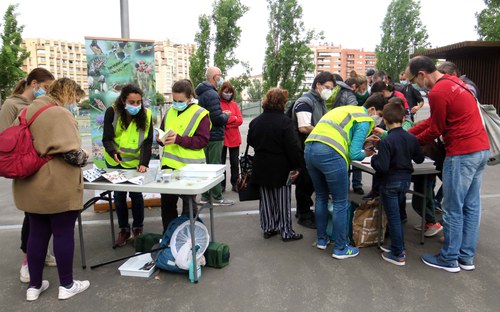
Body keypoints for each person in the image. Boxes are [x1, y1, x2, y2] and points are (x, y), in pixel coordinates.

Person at [407, 56, 489, 272]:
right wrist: (406, 134)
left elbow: (435, 130)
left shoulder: (438, 91)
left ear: (422, 74)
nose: (416, 85)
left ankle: (449, 258)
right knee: (471, 207)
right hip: (480, 150)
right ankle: (465, 258)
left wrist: (410, 142)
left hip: (462, 153)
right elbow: (433, 121)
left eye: (414, 80)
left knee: (452, 208)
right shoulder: (456, 83)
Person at [12, 78, 90, 301]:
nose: (74, 104)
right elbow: (72, 155)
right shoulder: (59, 114)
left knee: (36, 235)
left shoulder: (28, 112)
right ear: (67, 94)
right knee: (63, 232)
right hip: (56, 183)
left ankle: (34, 287)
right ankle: (66, 285)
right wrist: (85, 156)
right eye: (75, 99)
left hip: (29, 183)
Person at [0, 68, 56, 284]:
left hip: (43, 166)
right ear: (34, 84)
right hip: (26, 167)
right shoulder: (11, 105)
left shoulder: (40, 105)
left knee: (46, 214)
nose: (48, 92)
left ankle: (42, 253)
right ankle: (28, 260)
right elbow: (5, 138)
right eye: (46, 88)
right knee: (31, 216)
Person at [304, 101, 378, 259]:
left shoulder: (346, 110)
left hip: (310, 149)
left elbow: (340, 134)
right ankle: (340, 248)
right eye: (379, 114)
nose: (377, 119)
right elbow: (355, 154)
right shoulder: (364, 118)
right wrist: (367, 152)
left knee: (321, 197)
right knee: (340, 202)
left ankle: (321, 240)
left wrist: (362, 140)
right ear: (372, 109)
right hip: (330, 153)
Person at [371, 102, 425, 266]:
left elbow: (382, 167)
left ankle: (398, 253)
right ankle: (398, 245)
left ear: (385, 120)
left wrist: (374, 158)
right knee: (399, 216)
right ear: (403, 118)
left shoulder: (387, 141)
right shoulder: (411, 138)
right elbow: (419, 159)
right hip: (405, 181)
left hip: (390, 183)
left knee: (393, 217)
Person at [248, 88, 303, 241]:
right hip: (281, 166)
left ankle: (268, 227)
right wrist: (297, 166)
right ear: (282, 103)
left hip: (261, 165)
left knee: (266, 199)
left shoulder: (256, 121)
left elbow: (250, 141)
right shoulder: (285, 122)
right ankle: (286, 231)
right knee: (283, 201)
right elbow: (292, 146)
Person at [102, 84, 153, 247]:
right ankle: (124, 229)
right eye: (132, 102)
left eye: (139, 102)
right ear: (123, 100)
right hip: (115, 161)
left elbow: (147, 142)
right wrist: (112, 152)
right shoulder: (112, 112)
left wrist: (144, 163)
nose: (136, 106)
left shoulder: (147, 114)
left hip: (135, 163)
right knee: (119, 196)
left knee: (136, 195)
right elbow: (107, 138)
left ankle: (138, 228)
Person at [157, 79, 210, 232]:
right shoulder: (169, 112)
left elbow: (202, 141)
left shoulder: (200, 114)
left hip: (190, 169)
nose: (176, 103)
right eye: (174, 100)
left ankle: (188, 240)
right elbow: (162, 134)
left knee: (189, 208)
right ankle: (169, 238)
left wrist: (179, 139)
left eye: (180, 100)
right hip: (168, 168)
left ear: (189, 97)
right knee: (167, 206)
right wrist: (160, 139)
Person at [290, 71, 335, 229]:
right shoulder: (305, 101)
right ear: (318, 85)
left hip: (312, 147)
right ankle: (303, 214)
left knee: (309, 181)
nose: (329, 91)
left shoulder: (318, 101)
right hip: (303, 147)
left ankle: (304, 211)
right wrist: (324, 133)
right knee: (306, 182)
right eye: (327, 87)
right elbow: (303, 127)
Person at [195, 67, 234, 206]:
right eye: (220, 76)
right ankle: (217, 197)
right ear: (215, 77)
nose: (221, 78)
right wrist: (226, 115)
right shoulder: (212, 94)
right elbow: (216, 118)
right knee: (215, 166)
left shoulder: (201, 93)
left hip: (204, 135)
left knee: (206, 166)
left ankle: (205, 196)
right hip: (214, 135)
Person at [219, 81, 243, 192]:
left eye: (230, 92)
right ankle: (221, 185)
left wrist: (228, 120)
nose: (227, 94)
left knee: (234, 162)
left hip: (234, 137)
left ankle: (235, 183)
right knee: (221, 163)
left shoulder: (234, 104)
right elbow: (220, 120)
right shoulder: (218, 103)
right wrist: (232, 119)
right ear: (222, 91)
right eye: (225, 91)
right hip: (222, 138)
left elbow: (240, 120)